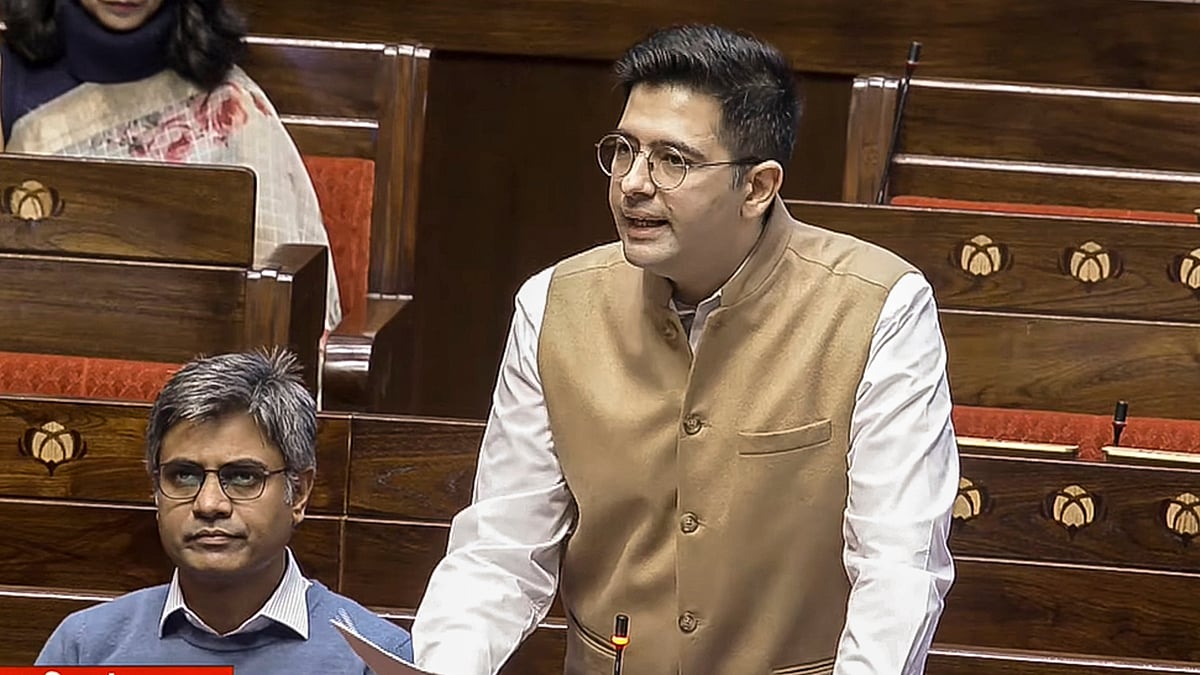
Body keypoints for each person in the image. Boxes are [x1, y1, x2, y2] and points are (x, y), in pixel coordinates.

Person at [411, 23, 959, 675]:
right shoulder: (552, 304)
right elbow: (502, 548)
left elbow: (898, 567)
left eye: (672, 160)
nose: (633, 183)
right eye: (624, 150)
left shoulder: (880, 307)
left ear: (757, 187)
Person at [35, 350, 412, 671]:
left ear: (298, 493)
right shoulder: (84, 648)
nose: (209, 504)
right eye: (184, 476)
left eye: (243, 477)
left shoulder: (377, 660)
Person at [0, 0, 342, 330]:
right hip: (35, 333)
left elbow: (277, 289)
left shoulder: (228, 102)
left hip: (200, 349)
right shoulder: (7, 74)